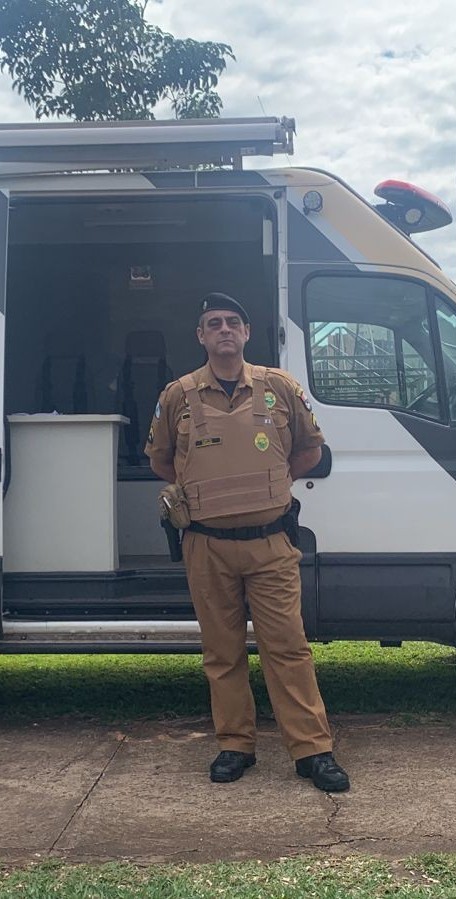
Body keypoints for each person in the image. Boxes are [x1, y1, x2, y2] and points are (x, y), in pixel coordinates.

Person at [145, 293, 349, 792]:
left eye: (233, 322)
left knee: (289, 648)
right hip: (206, 545)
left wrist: (270, 483)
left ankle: (312, 751)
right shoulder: (178, 394)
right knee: (222, 652)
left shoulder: (279, 388)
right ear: (201, 336)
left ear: (247, 332)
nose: (224, 330)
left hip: (270, 543)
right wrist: (204, 491)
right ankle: (235, 745)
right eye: (213, 323)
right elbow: (161, 461)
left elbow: (309, 450)